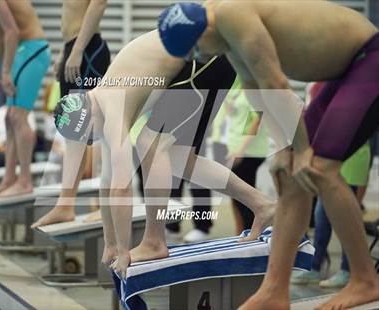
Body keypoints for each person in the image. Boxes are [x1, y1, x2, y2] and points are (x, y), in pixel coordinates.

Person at [157, 1, 379, 309]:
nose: (201, 58)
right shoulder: (224, 36)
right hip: (345, 71)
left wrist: (300, 150)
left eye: (197, 50)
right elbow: (255, 89)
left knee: (320, 168)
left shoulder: (231, 15)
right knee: (290, 175)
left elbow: (276, 83)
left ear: (203, 30)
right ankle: (275, 290)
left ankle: (364, 279)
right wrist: (284, 149)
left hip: (369, 59)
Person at [41, 29, 275, 278]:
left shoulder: (111, 108)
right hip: (205, 58)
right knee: (179, 158)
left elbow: (122, 188)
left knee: (149, 144)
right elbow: (107, 181)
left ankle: (154, 241)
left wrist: (123, 252)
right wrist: (110, 244)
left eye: (91, 135)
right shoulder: (100, 102)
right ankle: (262, 204)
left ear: (91, 117)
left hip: (206, 56)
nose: (95, 140)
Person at [30, 0, 110, 226]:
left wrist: (76, 51)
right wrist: (65, 52)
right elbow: (72, 15)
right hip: (76, 49)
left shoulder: (83, 49)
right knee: (73, 133)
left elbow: (99, 5)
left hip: (87, 52)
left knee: (99, 132)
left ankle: (103, 206)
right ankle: (65, 206)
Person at [292, 83, 372, 288]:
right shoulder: (317, 83)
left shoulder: (354, 82)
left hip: (352, 156)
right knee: (321, 218)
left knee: (347, 216)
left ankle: (348, 270)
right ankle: (315, 266)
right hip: (326, 154)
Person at [0, 0, 50, 199]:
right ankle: (9, 179)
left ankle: (25, 180)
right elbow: (2, 32)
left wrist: (5, 70)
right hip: (23, 50)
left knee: (18, 117)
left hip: (32, 50)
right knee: (9, 118)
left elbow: (12, 31)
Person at [212, 77, 268, 235]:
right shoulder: (238, 88)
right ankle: (241, 232)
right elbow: (230, 112)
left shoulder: (256, 91)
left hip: (249, 151)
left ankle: (252, 233)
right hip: (234, 147)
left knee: (245, 198)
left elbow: (256, 121)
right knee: (236, 196)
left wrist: (240, 150)